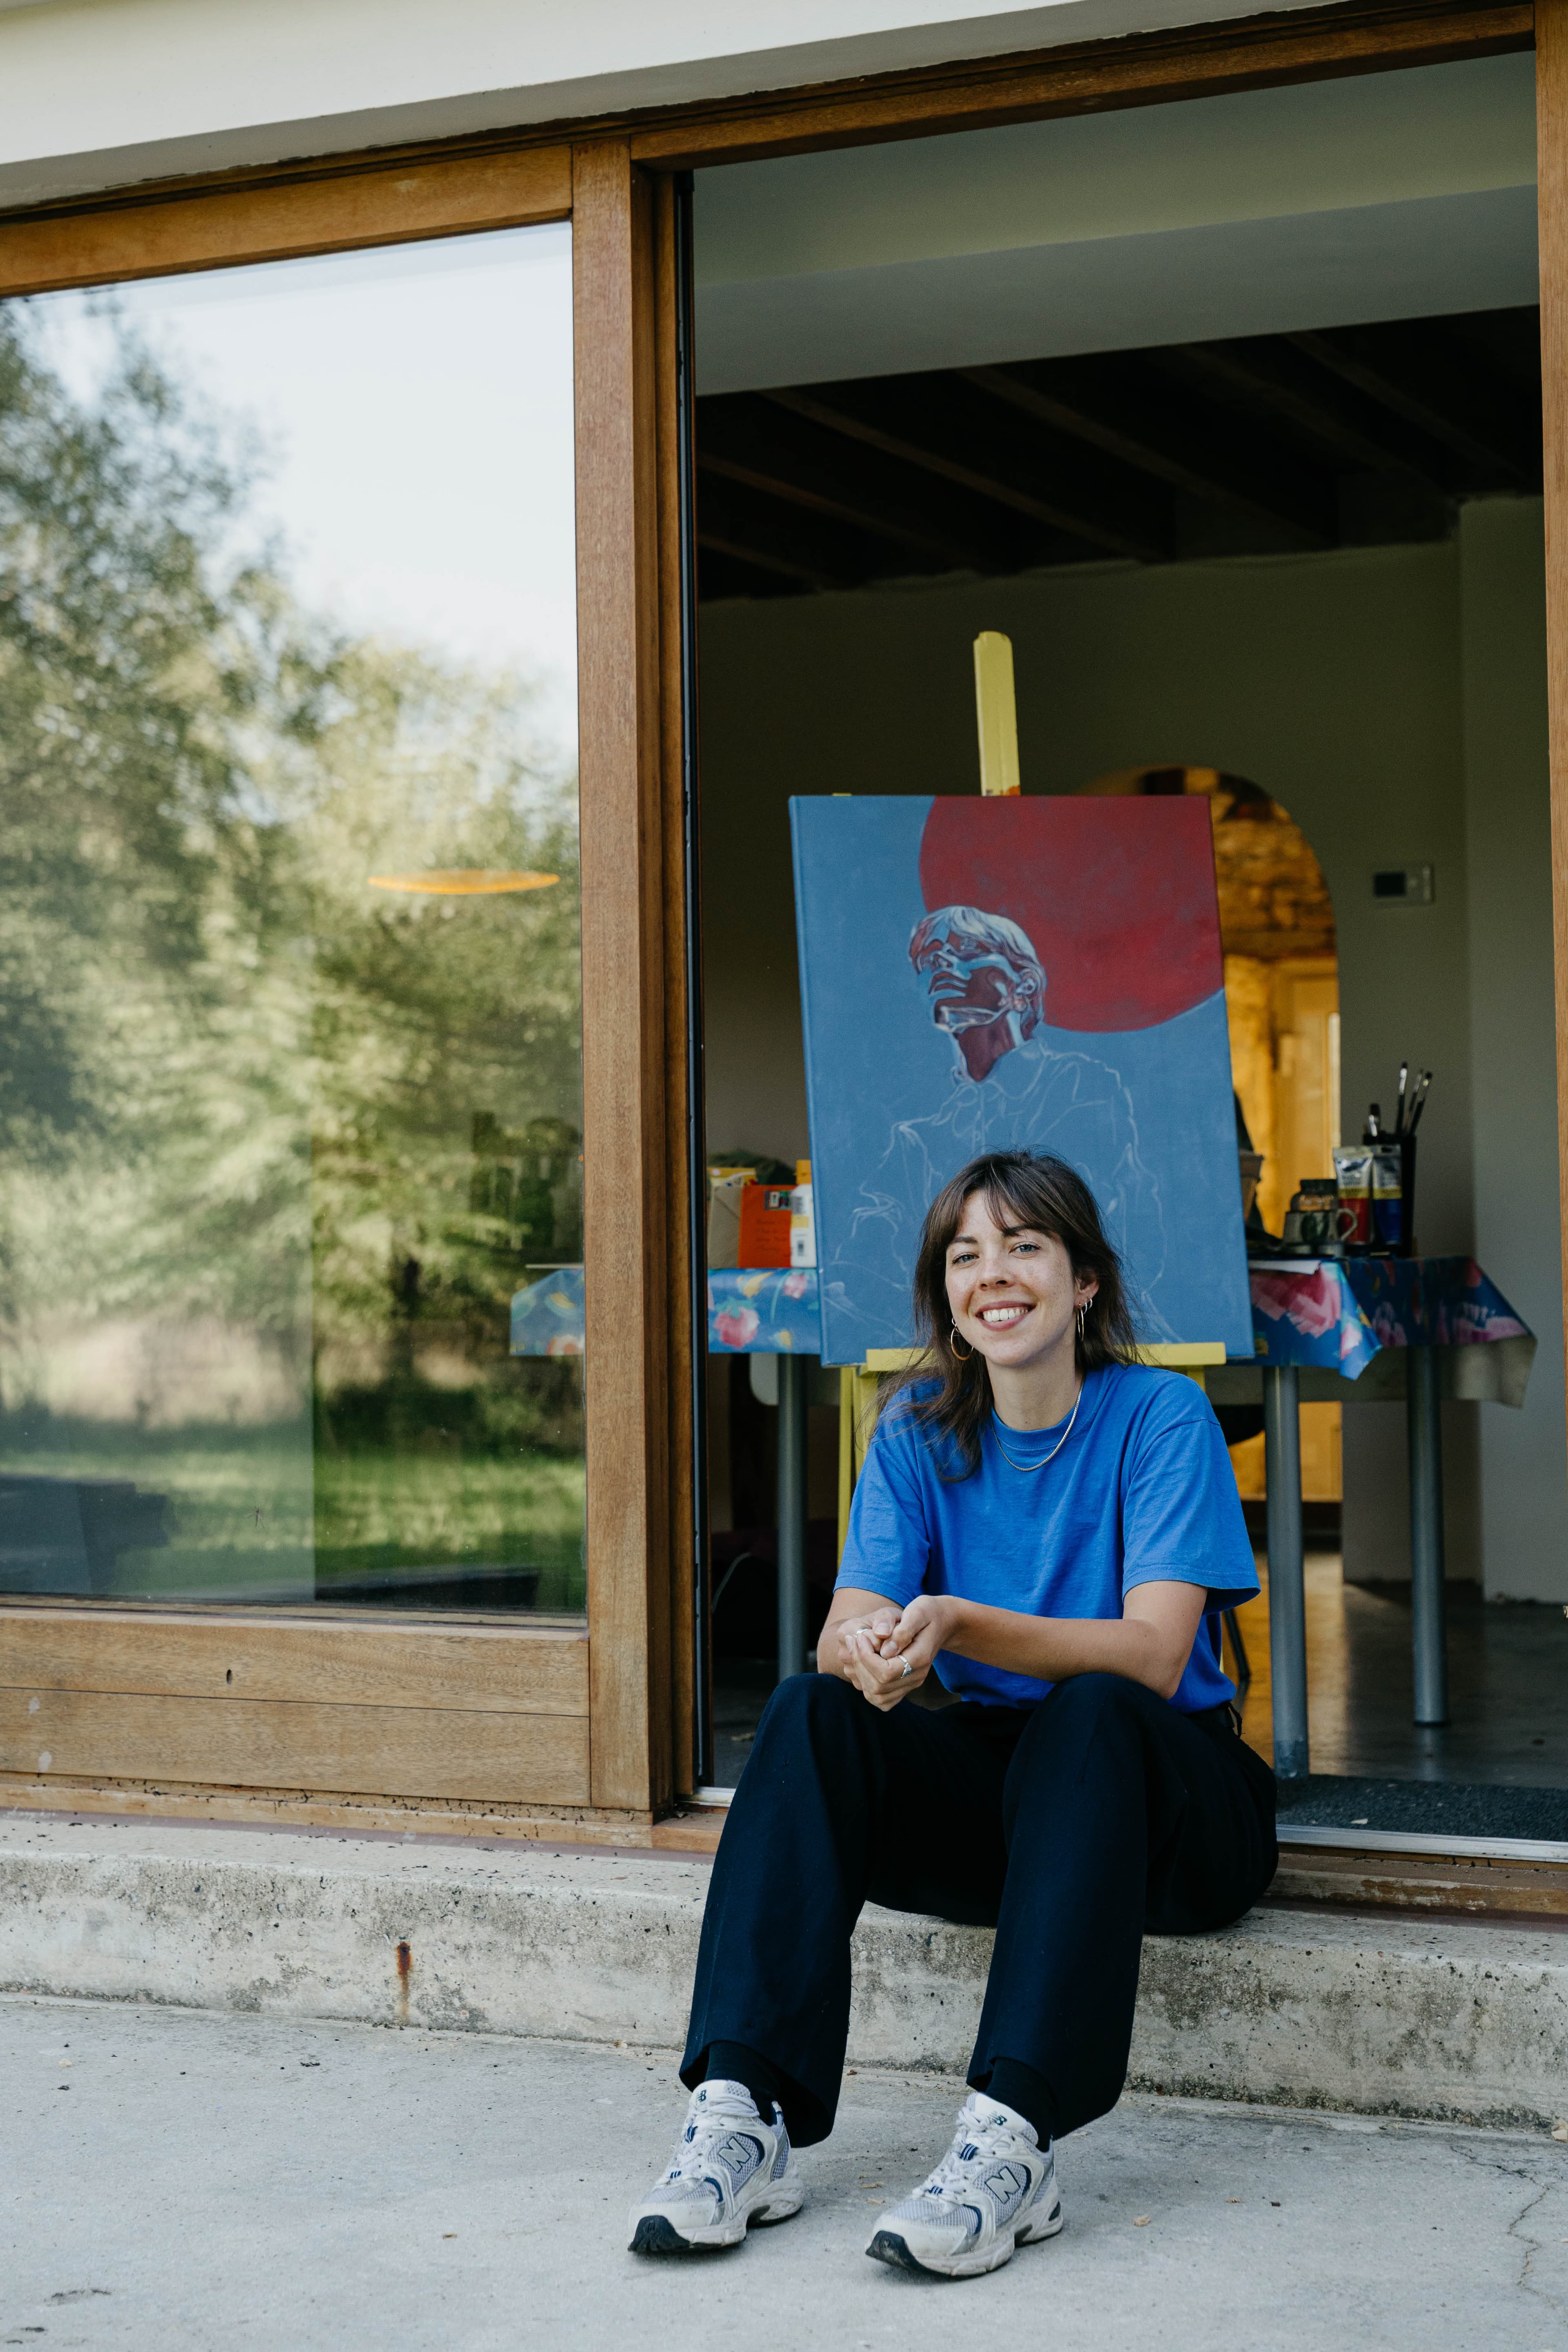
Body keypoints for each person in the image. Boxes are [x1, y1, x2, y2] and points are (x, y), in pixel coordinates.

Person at [629, 1147, 1276, 2280]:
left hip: (1169, 1806)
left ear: (1084, 1284)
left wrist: (961, 1625)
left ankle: (1012, 2144)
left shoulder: (1161, 1416)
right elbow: (849, 1622)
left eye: (1026, 1245)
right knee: (807, 1712)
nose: (996, 1273)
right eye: (967, 1254)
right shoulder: (919, 1429)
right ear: (946, 1296)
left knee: (1089, 1715)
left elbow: (1158, 1656)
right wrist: (866, 1650)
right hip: (1013, 1811)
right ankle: (746, 2113)